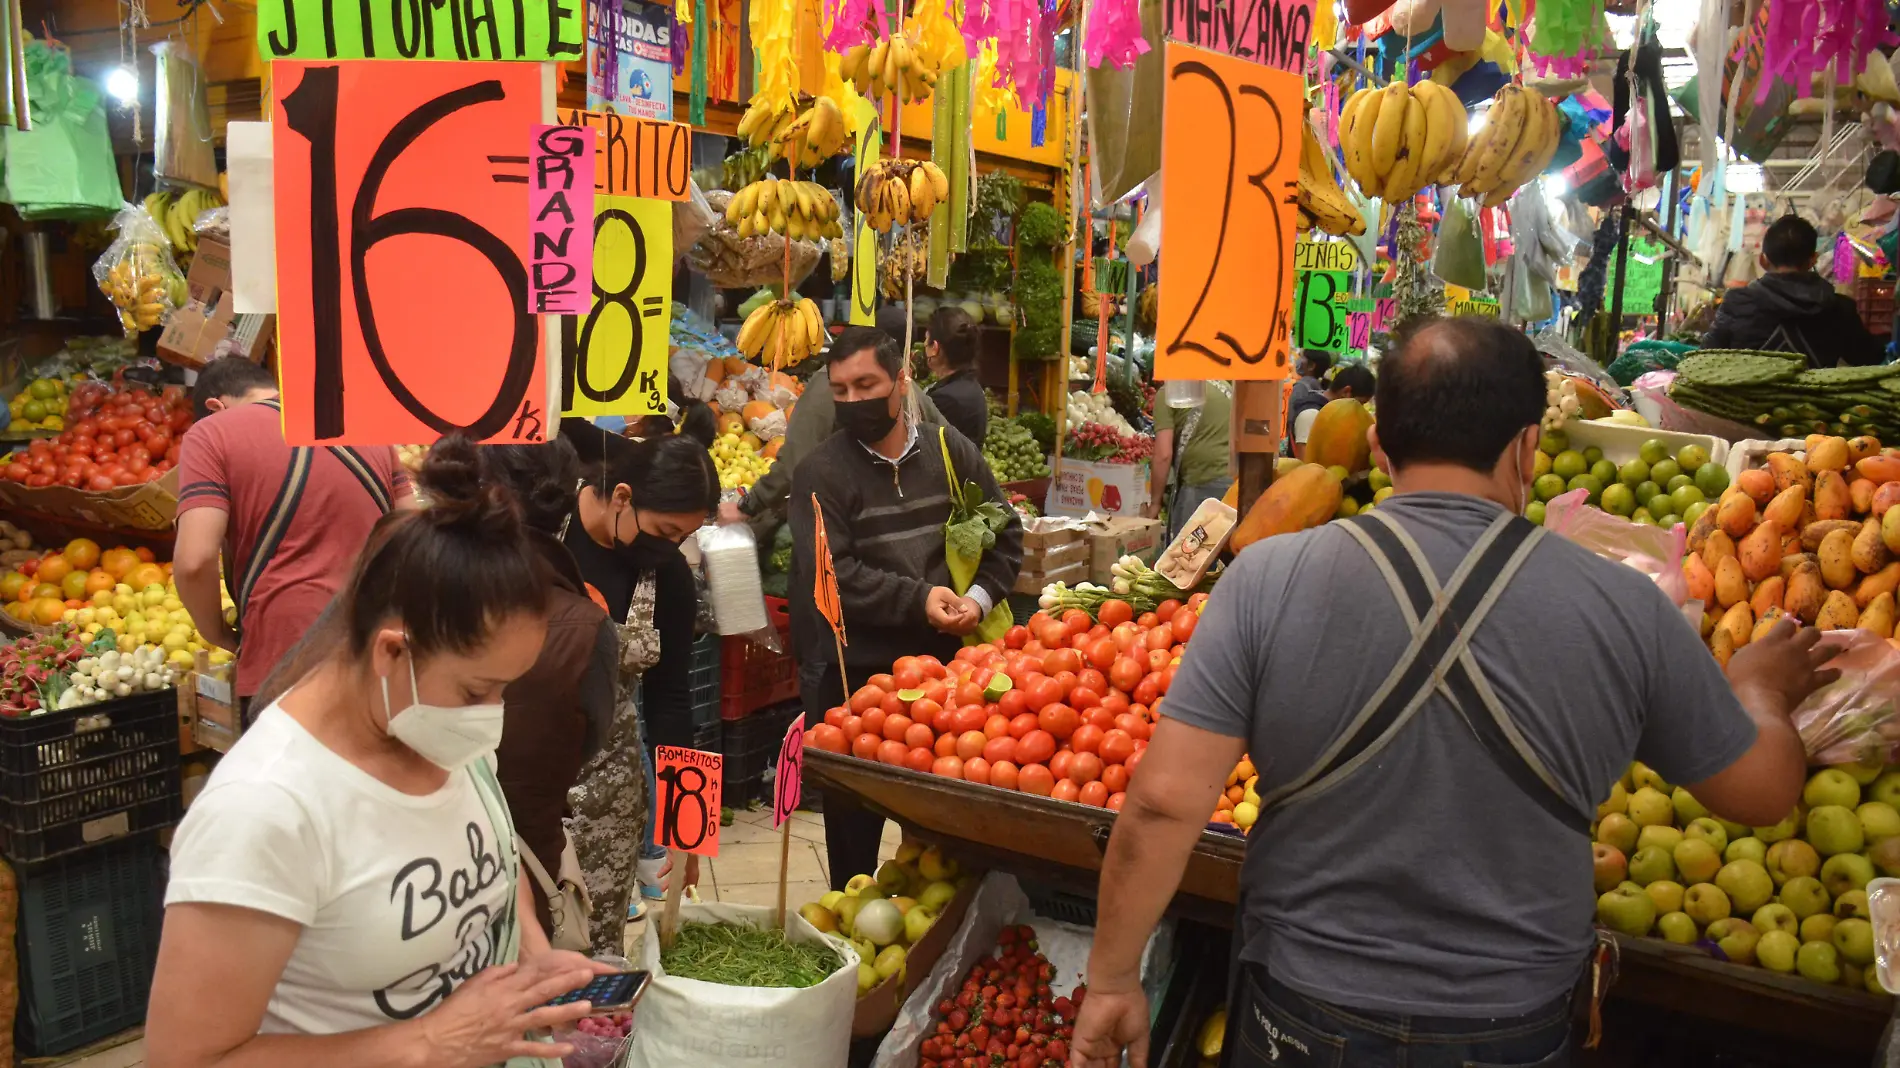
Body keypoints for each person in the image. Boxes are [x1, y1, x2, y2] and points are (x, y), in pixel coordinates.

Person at [1070, 317, 1835, 1068]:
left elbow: (1166, 802)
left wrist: (1109, 980)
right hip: (1511, 1027)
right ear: (1529, 446)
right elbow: (1763, 795)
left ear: (1376, 443)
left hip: (1302, 1010)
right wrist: (1762, 691)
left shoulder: (1265, 580)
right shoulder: (1628, 609)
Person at [148, 437, 611, 1068]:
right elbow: (187, 1057)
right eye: (480, 689)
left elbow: (498, 858)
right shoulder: (263, 812)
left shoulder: (432, 726)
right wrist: (431, 1042)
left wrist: (531, 954)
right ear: (392, 652)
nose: (492, 714)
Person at [788, 326, 1023, 888]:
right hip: (856, 676)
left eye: (865, 385)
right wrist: (920, 599)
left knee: (940, 827)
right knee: (853, 833)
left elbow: (1006, 533)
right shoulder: (820, 474)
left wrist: (976, 597)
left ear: (901, 381)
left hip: (944, 680)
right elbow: (833, 576)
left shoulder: (950, 452)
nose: (852, 402)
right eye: (839, 391)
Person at [173, 357, 414, 723]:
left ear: (214, 407)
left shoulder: (212, 433)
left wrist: (218, 632)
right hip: (384, 655)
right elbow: (416, 538)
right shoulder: (367, 428)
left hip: (287, 659)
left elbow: (194, 560)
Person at [555, 410, 718, 949]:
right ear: (622, 496)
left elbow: (672, 700)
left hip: (608, 793)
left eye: (685, 536)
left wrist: (689, 826)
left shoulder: (667, 576)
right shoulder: (545, 523)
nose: (672, 548)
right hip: (517, 771)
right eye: (667, 531)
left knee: (592, 949)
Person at [486, 439, 619, 946]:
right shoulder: (585, 627)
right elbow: (586, 744)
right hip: (529, 851)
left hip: (430, 879)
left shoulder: (409, 592)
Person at [718, 361, 947, 531]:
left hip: (856, 523)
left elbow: (795, 464)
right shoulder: (905, 386)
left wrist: (748, 506)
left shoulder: (830, 383)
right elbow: (951, 443)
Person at [1701, 213, 1884, 367]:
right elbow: (1870, 359)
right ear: (1813, 260)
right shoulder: (1841, 308)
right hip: (1814, 409)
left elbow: (1705, 359)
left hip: (1742, 408)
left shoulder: (1737, 302)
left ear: (1763, 261)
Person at [1147, 381, 1232, 540]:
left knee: (1186, 557)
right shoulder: (1223, 385)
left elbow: (1163, 455)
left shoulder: (1168, 394)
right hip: (1234, 484)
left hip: (1200, 484)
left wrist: (1155, 503)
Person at [924, 306, 988, 446]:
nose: (924, 345)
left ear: (935, 348)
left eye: (926, 339)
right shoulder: (968, 385)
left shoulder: (946, 399)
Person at [1290, 363, 1376, 460]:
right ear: (1346, 392)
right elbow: (1306, 465)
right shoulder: (1311, 414)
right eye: (1360, 403)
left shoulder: (1335, 412)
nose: (1361, 409)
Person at [1282, 349, 1333, 455]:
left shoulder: (1300, 388)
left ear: (1311, 366)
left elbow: (1289, 421)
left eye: (1301, 357)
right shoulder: (1320, 388)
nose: (1298, 360)